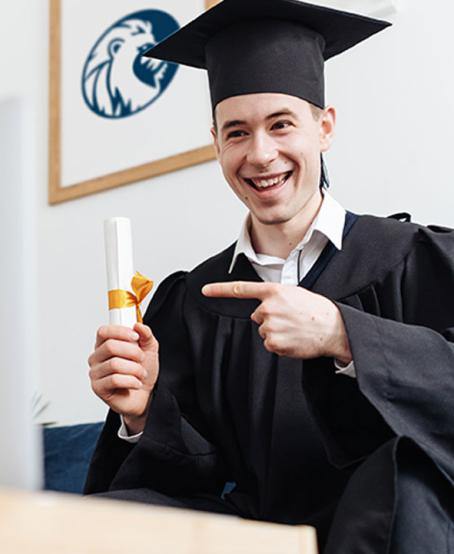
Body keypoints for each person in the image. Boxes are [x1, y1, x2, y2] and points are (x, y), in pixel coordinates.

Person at [85, 1, 454, 552]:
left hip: (391, 519)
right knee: (102, 521)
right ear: (216, 143)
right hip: (255, 535)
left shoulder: (405, 257)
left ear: (324, 128)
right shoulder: (196, 299)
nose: (260, 154)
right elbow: (192, 475)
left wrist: (343, 334)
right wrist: (142, 412)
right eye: (237, 133)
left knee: (405, 477)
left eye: (281, 124)